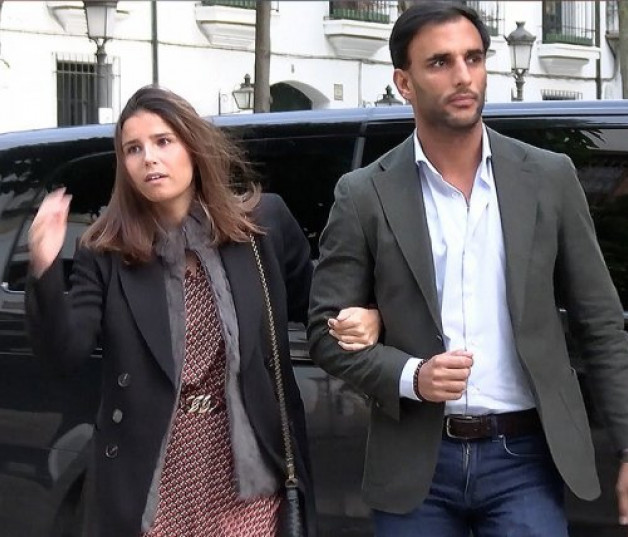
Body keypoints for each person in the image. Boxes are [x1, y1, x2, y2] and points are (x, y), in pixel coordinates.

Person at [307, 3, 628, 536]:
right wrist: (412, 376)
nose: (462, 75)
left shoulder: (548, 178)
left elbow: (600, 321)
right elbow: (325, 330)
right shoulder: (364, 193)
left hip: (526, 457)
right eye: (439, 62)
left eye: (473, 58)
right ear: (403, 83)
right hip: (417, 462)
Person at [25, 86, 381, 537]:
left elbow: (317, 307)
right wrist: (43, 265)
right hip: (154, 467)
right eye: (133, 149)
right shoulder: (106, 250)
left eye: (163, 141)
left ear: (193, 146)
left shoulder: (262, 227)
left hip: (247, 461)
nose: (149, 158)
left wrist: (367, 314)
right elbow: (64, 352)